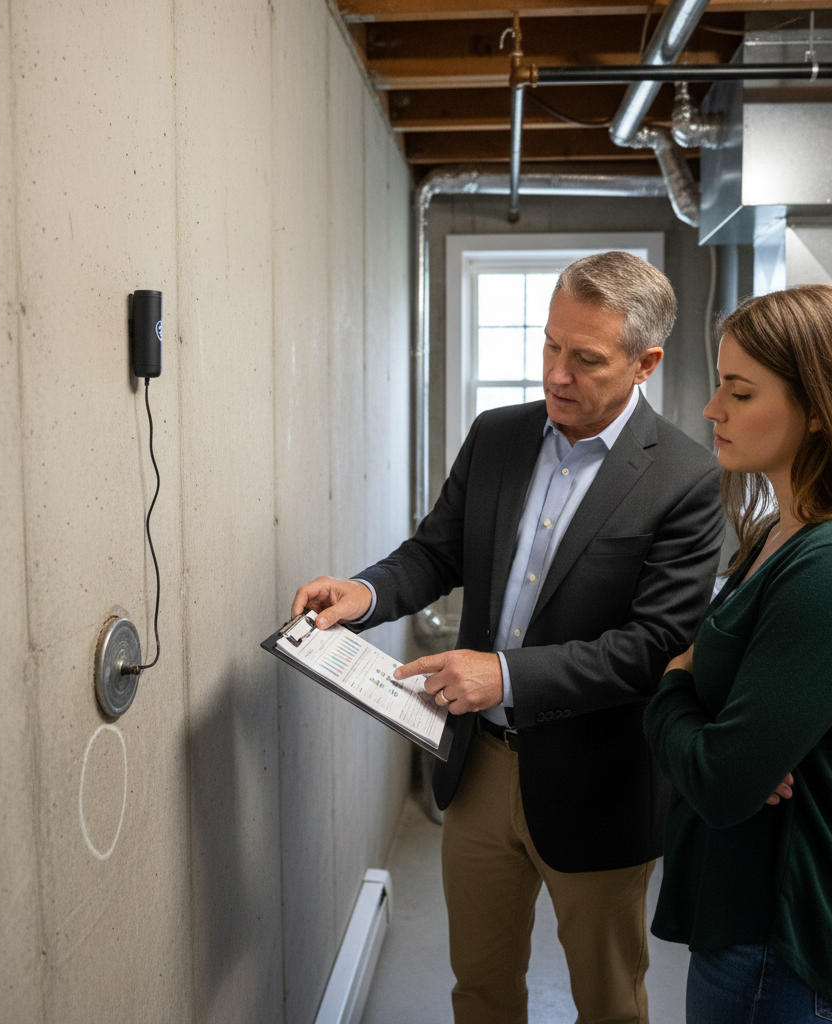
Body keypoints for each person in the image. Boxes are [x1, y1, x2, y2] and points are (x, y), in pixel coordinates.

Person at [292, 251, 725, 1023]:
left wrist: (506, 674)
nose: (558, 374)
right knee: (481, 990)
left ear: (645, 363)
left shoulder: (685, 479)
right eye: (551, 345)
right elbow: (436, 552)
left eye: (586, 359)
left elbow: (654, 645)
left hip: (599, 783)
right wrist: (365, 592)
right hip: (480, 768)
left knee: (609, 1003)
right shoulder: (497, 436)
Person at [644, 284, 832, 1024]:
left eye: (740, 392)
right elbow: (733, 751)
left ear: (820, 409)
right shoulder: (778, 535)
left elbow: (721, 780)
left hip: (784, 947)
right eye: (720, 384)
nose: (712, 409)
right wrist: (713, 724)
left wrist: (672, 694)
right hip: (747, 928)